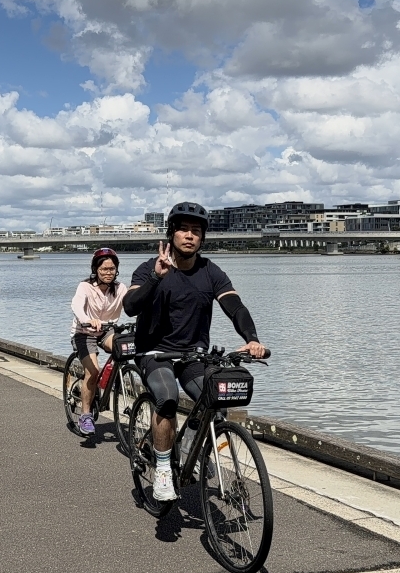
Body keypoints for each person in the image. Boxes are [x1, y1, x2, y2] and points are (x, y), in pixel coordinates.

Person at [122, 202, 266, 501]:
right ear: (171, 234)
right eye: (184, 230)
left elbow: (235, 307)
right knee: (167, 399)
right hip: (154, 353)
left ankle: (189, 450)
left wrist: (252, 339)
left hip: (193, 356)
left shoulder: (210, 271)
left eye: (196, 231)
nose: (190, 236)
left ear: (202, 238)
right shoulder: (149, 268)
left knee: (218, 399)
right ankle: (163, 469)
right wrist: (156, 278)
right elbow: (130, 307)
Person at [69, 248, 128, 436]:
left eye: (112, 269)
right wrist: (87, 319)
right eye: (104, 269)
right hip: (83, 332)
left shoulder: (120, 288)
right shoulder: (85, 287)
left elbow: (132, 304)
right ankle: (85, 415)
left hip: (106, 331)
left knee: (123, 349)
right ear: (96, 270)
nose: (108, 273)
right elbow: (76, 305)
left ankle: (107, 381)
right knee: (93, 371)